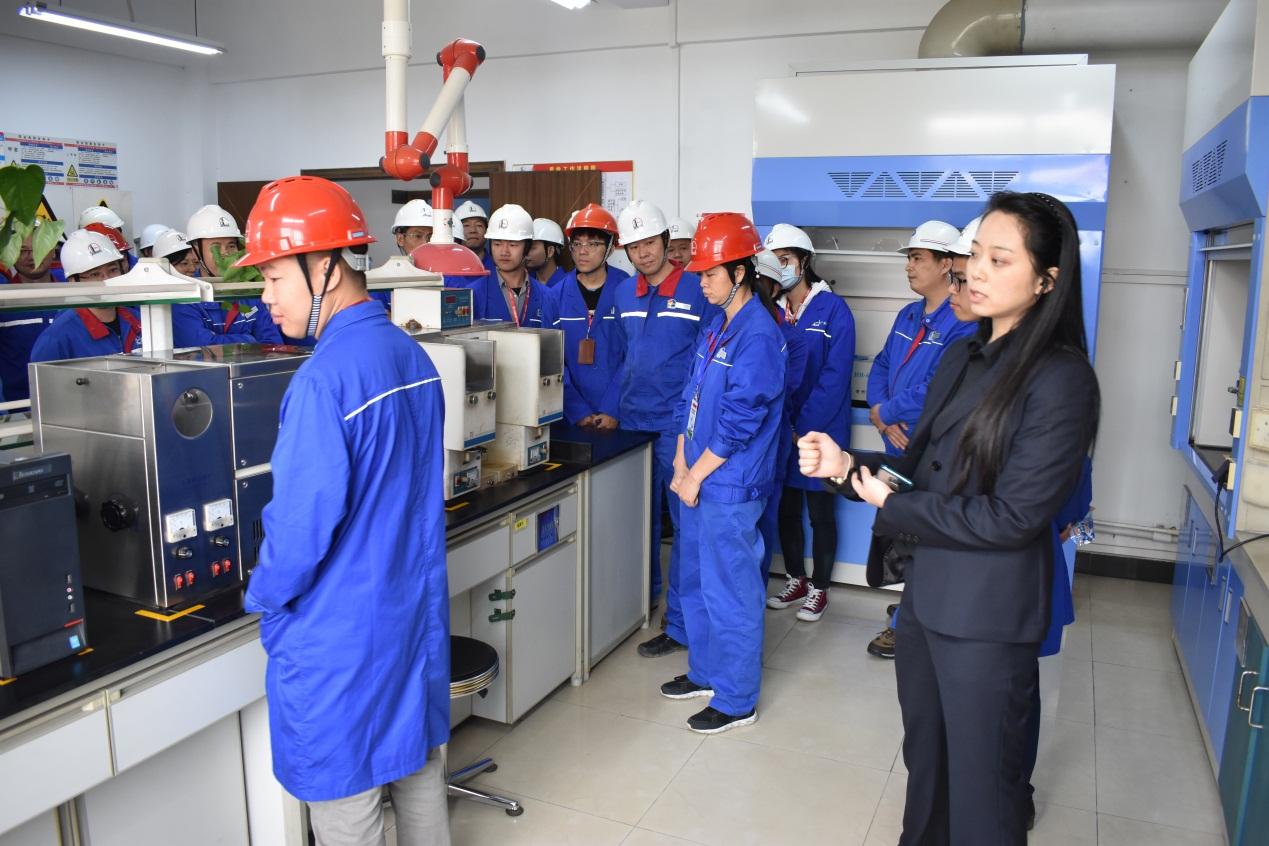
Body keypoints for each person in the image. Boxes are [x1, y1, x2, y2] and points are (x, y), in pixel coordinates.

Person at [798, 191, 1100, 844]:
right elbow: (918, 470)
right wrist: (847, 467)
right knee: (926, 768)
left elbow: (1012, 517)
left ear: (1046, 280)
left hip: (988, 620)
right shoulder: (963, 357)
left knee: (983, 790)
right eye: (975, 256)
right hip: (928, 602)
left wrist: (890, 501)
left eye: (1000, 259)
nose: (977, 271)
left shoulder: (1061, 379)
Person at [237, 175, 451, 846]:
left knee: (347, 802)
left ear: (325, 266)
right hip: (408, 616)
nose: (265, 297)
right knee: (417, 774)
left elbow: (299, 531)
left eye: (274, 277)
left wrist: (264, 599)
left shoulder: (322, 381)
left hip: (341, 638)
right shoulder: (410, 355)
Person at [662, 212, 785, 734]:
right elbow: (689, 397)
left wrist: (696, 473)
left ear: (740, 273)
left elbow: (740, 420)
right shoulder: (718, 326)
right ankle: (706, 673)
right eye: (700, 274)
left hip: (730, 484)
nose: (702, 283)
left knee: (731, 589)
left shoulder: (758, 335)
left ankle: (736, 698)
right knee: (697, 579)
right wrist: (680, 460)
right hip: (697, 475)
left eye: (710, 274)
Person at [611, 199, 719, 659]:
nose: (643, 253)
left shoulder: (698, 289)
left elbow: (707, 364)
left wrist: (690, 428)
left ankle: (680, 623)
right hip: (631, 425)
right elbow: (619, 358)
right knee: (638, 525)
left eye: (650, 243)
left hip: (678, 429)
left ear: (665, 242)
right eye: (634, 246)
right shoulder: (623, 295)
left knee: (685, 529)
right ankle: (640, 605)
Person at [864, 219, 976, 658]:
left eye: (917, 258)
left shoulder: (963, 322)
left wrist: (888, 412)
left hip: (927, 450)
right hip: (895, 445)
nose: (909, 267)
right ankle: (909, 610)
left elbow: (938, 387)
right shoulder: (908, 315)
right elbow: (881, 365)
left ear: (947, 264)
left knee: (922, 540)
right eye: (909, 258)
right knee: (899, 537)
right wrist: (880, 411)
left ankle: (908, 623)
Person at [760, 224, 855, 622]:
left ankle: (820, 587)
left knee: (819, 511)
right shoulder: (770, 309)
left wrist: (804, 428)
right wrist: (786, 426)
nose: (780, 267)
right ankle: (796, 578)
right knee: (786, 508)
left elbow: (835, 376)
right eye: (774, 261)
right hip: (783, 430)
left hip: (822, 431)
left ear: (804, 262)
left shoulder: (833, 309)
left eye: (786, 259)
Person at [752, 251, 808, 584]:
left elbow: (785, 392)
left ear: (775, 289)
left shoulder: (792, 339)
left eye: (759, 283)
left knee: (760, 524)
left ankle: (752, 596)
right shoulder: (723, 327)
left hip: (770, 441)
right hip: (728, 445)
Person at [542, 208, 626, 428]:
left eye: (593, 244)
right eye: (577, 244)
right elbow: (551, 359)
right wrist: (577, 410)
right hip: (571, 414)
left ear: (610, 248)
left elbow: (633, 356)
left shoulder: (627, 290)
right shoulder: (555, 296)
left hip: (620, 411)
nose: (583, 251)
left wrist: (612, 408)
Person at [174, 204, 283, 346]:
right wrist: (250, 339)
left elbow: (273, 344)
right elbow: (199, 349)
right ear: (195, 251)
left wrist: (220, 341)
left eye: (231, 246)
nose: (225, 253)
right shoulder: (185, 297)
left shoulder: (249, 292)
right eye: (216, 246)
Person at [31, 229, 142, 362]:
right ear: (73, 281)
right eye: (94, 274)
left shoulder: (139, 321)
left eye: (113, 270)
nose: (106, 280)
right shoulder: (56, 339)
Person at [0, 223, 61, 399]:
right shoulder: (4, 301)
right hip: (17, 404)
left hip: (71, 395)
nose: (31, 256)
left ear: (53, 251)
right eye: (23, 250)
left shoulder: (75, 295)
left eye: (39, 247)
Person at [464, 203, 548, 327]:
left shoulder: (546, 295)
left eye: (513, 244)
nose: (504, 252)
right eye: (497, 244)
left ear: (527, 247)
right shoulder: (474, 293)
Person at [455, 200, 495, 274]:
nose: (473, 230)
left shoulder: (498, 267)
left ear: (487, 230)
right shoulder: (447, 268)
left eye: (479, 225)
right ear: (456, 231)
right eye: (466, 225)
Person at [527, 218, 568, 288]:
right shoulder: (525, 282)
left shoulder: (568, 284)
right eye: (526, 247)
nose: (526, 252)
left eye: (531, 247)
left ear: (550, 251)